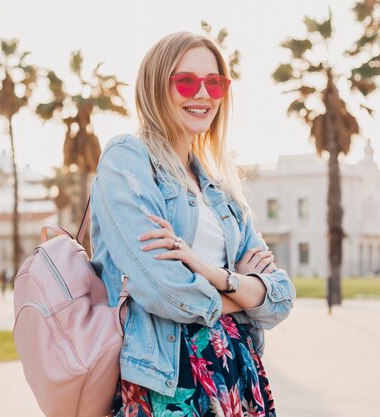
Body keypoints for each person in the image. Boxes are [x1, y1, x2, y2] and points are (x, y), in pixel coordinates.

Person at [89, 31, 296, 417]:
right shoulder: (128, 159)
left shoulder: (221, 190)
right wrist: (245, 294)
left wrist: (215, 276)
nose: (202, 94)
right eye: (186, 81)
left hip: (236, 375)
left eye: (214, 83)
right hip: (168, 378)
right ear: (155, 87)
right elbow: (164, 292)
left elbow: (281, 297)